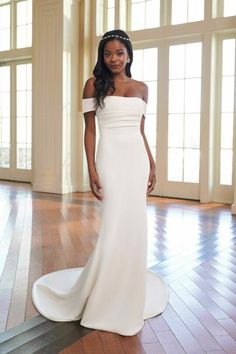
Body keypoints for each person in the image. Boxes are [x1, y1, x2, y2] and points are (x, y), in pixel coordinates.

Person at [32, 29, 168, 336]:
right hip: (110, 159)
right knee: (113, 223)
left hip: (136, 160)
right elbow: (90, 131)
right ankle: (102, 294)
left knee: (133, 225)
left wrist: (152, 162)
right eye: (108, 54)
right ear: (101, 57)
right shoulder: (93, 84)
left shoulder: (143, 88)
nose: (114, 59)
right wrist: (91, 167)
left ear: (129, 55)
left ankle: (127, 287)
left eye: (119, 53)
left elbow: (141, 131)